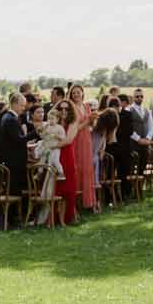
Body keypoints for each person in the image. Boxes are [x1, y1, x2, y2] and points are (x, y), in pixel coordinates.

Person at [0, 94, 29, 226]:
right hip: (13, 162)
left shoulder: (7, 117)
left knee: (14, 190)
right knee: (13, 190)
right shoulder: (10, 119)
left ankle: (11, 219)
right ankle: (11, 220)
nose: (23, 109)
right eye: (22, 105)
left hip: (10, 160)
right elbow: (18, 140)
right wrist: (35, 133)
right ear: (14, 104)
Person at [68, 83, 97, 212]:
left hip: (86, 139)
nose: (76, 95)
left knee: (87, 169)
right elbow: (74, 129)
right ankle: (77, 204)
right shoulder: (71, 108)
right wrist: (87, 121)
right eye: (73, 93)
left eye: (78, 92)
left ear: (82, 93)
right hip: (75, 139)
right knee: (77, 168)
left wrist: (93, 120)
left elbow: (91, 126)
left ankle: (89, 202)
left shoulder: (86, 106)